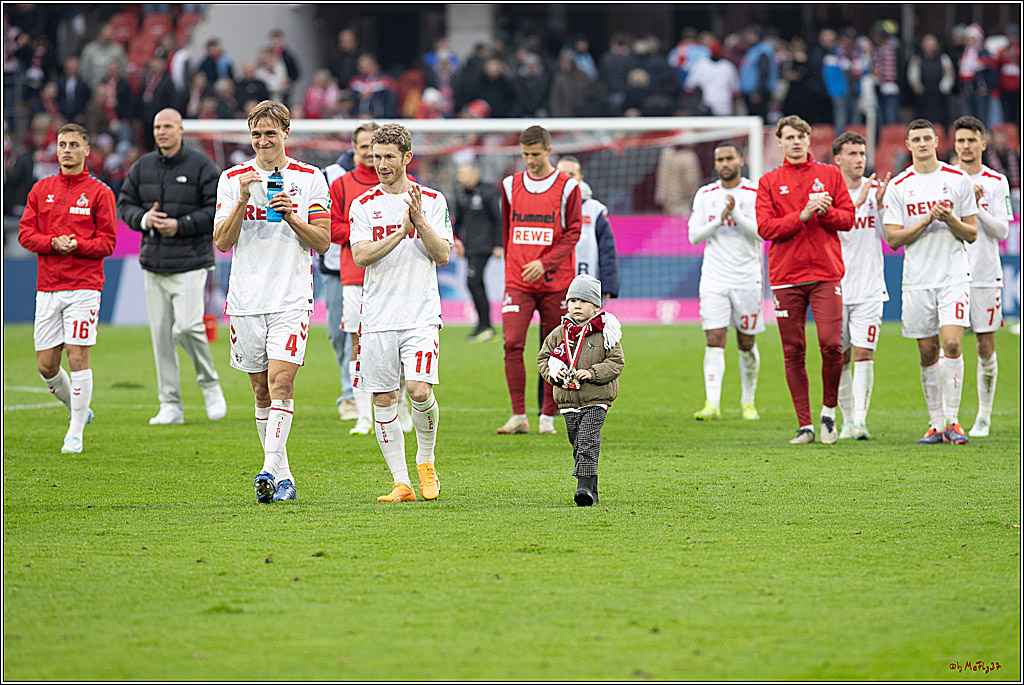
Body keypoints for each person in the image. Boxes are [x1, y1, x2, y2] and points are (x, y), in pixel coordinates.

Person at [213, 100, 331, 502]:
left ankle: (265, 467)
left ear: (286, 134)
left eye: (270, 133)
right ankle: (283, 477)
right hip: (245, 301)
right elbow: (223, 242)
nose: (263, 141)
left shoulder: (311, 178)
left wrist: (293, 216)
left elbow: (323, 240)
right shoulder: (232, 179)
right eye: (257, 135)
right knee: (262, 393)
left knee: (282, 382)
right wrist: (244, 201)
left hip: (290, 299)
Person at [349, 123, 453, 502]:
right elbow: (360, 255)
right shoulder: (362, 205)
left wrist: (419, 221)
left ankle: (426, 463)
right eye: (376, 157)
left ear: (407, 157)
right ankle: (401, 481)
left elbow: (442, 255)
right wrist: (399, 231)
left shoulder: (433, 199)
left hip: (421, 313)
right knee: (383, 399)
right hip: (377, 316)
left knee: (419, 389)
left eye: (389, 157)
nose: (381, 164)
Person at [117, 108, 226, 425]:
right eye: (157, 127)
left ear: (181, 130)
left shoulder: (202, 166)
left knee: (188, 326)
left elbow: (216, 210)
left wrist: (181, 224)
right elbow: (125, 204)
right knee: (161, 337)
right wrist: (144, 219)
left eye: (167, 126)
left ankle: (210, 385)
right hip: (154, 263)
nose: (161, 131)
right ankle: (171, 405)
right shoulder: (143, 167)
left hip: (191, 262)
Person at [756, 115, 856, 444]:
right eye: (789, 137)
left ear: (809, 139)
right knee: (793, 351)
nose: (796, 141)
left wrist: (823, 211)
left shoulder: (830, 175)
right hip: (786, 276)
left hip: (826, 273)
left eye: (802, 135)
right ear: (780, 143)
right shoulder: (769, 181)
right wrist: (801, 215)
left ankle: (829, 412)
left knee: (831, 344)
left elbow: (848, 220)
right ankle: (805, 425)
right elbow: (766, 229)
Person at [18, 123, 117, 454]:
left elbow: (108, 242)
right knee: (46, 365)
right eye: (62, 144)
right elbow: (25, 234)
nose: (67, 150)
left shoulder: (100, 193)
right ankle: (79, 410)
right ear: (56, 149)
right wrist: (51, 243)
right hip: (47, 286)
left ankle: (75, 432)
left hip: (84, 287)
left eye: (74, 144)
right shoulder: (41, 189)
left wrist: (74, 245)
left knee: (77, 356)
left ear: (87, 150)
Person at [882, 119, 978, 445]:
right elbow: (893, 239)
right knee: (927, 351)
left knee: (951, 344)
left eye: (927, 138)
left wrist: (949, 218)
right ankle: (935, 424)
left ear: (937, 140)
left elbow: (972, 232)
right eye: (916, 139)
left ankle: (953, 421)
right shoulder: (899, 185)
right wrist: (926, 220)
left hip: (953, 274)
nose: (922, 143)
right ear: (907, 145)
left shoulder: (958, 179)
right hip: (917, 279)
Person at [497, 125, 582, 435]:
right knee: (512, 343)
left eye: (535, 154)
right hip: (518, 281)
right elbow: (508, 230)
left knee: (555, 348)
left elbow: (573, 231)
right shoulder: (510, 185)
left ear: (548, 151)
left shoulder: (567, 188)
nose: (530, 160)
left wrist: (544, 263)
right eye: (524, 154)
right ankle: (518, 415)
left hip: (556, 283)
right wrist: (514, 263)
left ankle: (548, 415)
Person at [688, 142, 764, 422]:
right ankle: (712, 403)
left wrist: (735, 215)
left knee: (746, 342)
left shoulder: (755, 192)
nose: (724, 163)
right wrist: (719, 219)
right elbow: (694, 236)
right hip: (714, 277)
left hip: (746, 276)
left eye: (729, 158)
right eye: (719, 159)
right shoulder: (706, 194)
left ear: (741, 160)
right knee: (714, 338)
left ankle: (748, 401)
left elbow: (762, 234)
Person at [537, 274, 624, 507]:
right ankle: (592, 489)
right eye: (573, 300)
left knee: (587, 439)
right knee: (577, 441)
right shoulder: (559, 333)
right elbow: (543, 359)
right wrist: (553, 374)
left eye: (583, 301)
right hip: (567, 401)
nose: (576, 305)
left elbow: (616, 363)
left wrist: (592, 373)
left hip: (596, 398)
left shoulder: (606, 332)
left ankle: (582, 487)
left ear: (596, 306)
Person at [830, 131, 891, 440]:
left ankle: (860, 424)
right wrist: (858, 201)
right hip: (835, 289)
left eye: (862, 154)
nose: (859, 160)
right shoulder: (829, 195)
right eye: (852, 154)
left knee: (865, 353)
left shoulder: (877, 191)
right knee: (839, 356)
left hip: (869, 288)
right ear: (837, 159)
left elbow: (889, 239)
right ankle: (846, 419)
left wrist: (879, 207)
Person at [952, 115, 1010, 437]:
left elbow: (1002, 230)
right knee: (949, 345)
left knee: (985, 346)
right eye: (961, 140)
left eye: (972, 140)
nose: (966, 146)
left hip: (986, 273)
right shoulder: (945, 179)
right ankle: (949, 417)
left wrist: (977, 207)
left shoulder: (996, 181)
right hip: (951, 275)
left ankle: (983, 418)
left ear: (982, 144)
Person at [328, 121, 380, 431]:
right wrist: (366, 234)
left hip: (394, 278)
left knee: (397, 343)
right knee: (356, 341)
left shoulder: (405, 183)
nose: (371, 153)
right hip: (355, 276)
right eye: (364, 147)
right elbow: (331, 227)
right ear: (355, 148)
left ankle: (398, 404)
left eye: (376, 147)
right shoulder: (341, 184)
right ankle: (362, 414)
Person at [452, 161, 503, 343]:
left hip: (484, 246)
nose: (459, 177)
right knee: (476, 283)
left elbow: (498, 220)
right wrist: (455, 239)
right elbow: (458, 223)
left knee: (473, 282)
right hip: (470, 247)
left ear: (474, 174)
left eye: (463, 173)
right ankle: (485, 326)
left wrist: (499, 244)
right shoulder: (461, 196)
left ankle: (485, 325)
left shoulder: (488, 193)